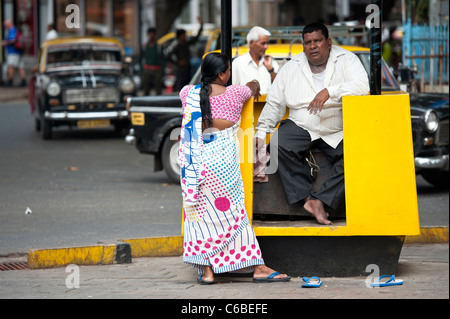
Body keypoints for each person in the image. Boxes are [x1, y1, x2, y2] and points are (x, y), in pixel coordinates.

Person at [179, 52, 290, 284]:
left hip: (196, 168)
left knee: (199, 217)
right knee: (234, 215)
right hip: (224, 168)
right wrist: (256, 83)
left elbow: (193, 96)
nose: (230, 74)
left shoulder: (187, 94)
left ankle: (207, 271)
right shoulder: (236, 93)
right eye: (228, 70)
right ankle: (258, 267)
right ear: (221, 74)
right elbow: (253, 85)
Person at [254, 23, 370, 225]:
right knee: (278, 143)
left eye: (317, 40)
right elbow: (275, 102)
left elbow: (362, 85)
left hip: (337, 127)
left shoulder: (347, 59)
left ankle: (321, 199)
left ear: (328, 42)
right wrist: (262, 131)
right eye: (307, 42)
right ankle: (308, 199)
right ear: (303, 45)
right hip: (302, 123)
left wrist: (329, 91)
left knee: (358, 154)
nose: (313, 46)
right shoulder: (292, 67)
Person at [232, 26, 279, 94]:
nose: (266, 47)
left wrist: (271, 69)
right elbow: (233, 91)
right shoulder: (238, 63)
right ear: (251, 43)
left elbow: (279, 88)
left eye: (267, 43)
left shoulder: (271, 63)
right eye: (263, 43)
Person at [170, 17, 204, 92]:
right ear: (180, 36)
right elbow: (168, 56)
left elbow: (196, 38)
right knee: (180, 86)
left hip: (187, 68)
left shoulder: (186, 43)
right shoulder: (176, 46)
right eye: (184, 34)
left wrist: (201, 25)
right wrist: (177, 62)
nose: (185, 36)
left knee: (188, 85)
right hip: (180, 69)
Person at [1, 20, 26, 87]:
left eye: (5, 25)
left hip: (13, 52)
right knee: (20, 67)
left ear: (9, 24)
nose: (5, 27)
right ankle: (24, 81)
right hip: (19, 51)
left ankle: (10, 82)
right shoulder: (16, 29)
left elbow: (13, 40)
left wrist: (5, 42)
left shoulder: (12, 30)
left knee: (10, 66)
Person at [141, 27, 164, 96]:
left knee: (158, 89)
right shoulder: (144, 46)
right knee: (146, 88)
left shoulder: (158, 46)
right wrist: (141, 70)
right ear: (148, 34)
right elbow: (141, 58)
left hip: (157, 69)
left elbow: (162, 58)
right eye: (150, 34)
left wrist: (162, 69)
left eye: (153, 34)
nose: (152, 35)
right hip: (147, 69)